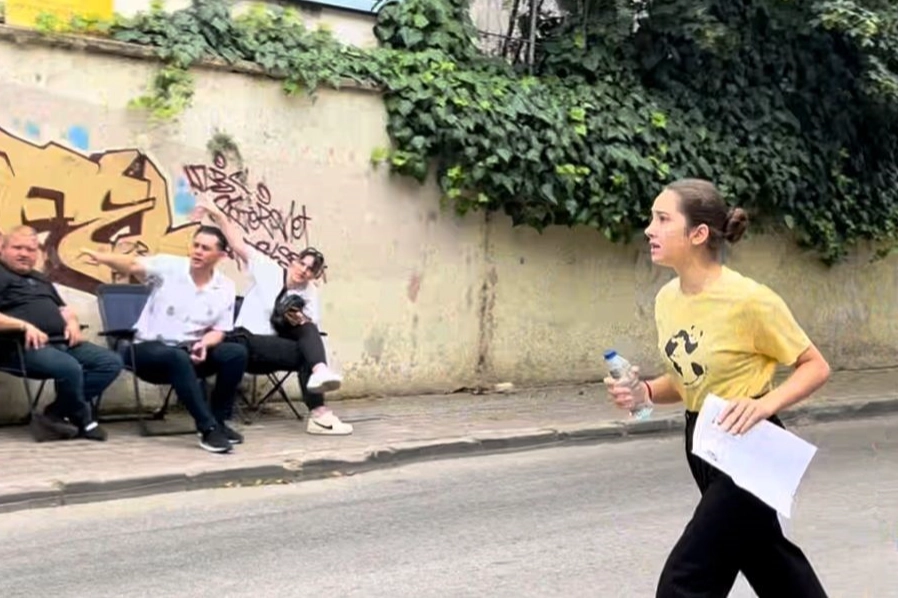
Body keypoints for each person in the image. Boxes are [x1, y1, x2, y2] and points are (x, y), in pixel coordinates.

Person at [604, 179, 831, 597]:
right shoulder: (667, 300)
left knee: (684, 582)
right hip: (702, 443)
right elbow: (689, 379)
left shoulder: (750, 300)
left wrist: (765, 405)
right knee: (769, 562)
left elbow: (815, 366)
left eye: (662, 219)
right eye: (652, 219)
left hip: (751, 445)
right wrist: (646, 393)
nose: (649, 229)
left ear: (699, 234)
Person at [191, 196, 352, 435]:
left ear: (315, 276)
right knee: (299, 345)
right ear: (293, 261)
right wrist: (218, 213)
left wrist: (293, 318)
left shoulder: (309, 293)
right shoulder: (267, 268)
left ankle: (319, 410)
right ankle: (319, 393)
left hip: (271, 350)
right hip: (244, 343)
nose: (304, 271)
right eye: (302, 264)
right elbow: (237, 243)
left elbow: (307, 334)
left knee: (308, 340)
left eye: (310, 270)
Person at [81, 226, 249, 453]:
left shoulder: (225, 286)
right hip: (147, 352)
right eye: (196, 245)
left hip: (190, 354)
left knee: (235, 353)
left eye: (205, 248)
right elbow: (132, 265)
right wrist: (102, 258)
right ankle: (207, 428)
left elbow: (219, 330)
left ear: (220, 256)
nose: (197, 251)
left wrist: (204, 344)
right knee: (176, 356)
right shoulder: (170, 267)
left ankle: (218, 421)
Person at [0, 226, 121, 442]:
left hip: (62, 342)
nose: (24, 254)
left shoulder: (40, 278)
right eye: (17, 248)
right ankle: (83, 417)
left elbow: (64, 309)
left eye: (30, 249)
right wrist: (23, 326)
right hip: (21, 346)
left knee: (110, 362)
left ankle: (56, 413)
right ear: (3, 249)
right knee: (69, 367)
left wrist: (72, 323)